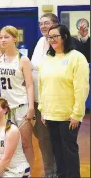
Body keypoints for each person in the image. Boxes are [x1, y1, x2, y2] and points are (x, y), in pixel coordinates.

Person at [38, 24, 89, 178]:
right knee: (57, 152)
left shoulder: (76, 57)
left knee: (69, 152)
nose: (51, 40)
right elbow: (42, 86)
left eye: (55, 36)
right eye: (49, 37)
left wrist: (77, 114)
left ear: (64, 37)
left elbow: (81, 88)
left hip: (68, 116)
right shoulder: (47, 59)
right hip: (50, 114)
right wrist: (42, 109)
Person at [0, 25, 34, 168]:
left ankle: (29, 173)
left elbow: (29, 85)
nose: (3, 40)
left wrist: (31, 107)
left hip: (21, 106)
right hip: (5, 109)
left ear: (15, 39)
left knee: (26, 143)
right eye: (1, 37)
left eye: (6, 37)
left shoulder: (23, 60)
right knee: (8, 144)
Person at [31, 13, 58, 177]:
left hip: (52, 101)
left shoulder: (59, 45)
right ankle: (50, 171)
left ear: (55, 24)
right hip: (36, 100)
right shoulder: (41, 41)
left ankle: (54, 172)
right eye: (40, 24)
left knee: (53, 139)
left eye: (46, 23)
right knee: (43, 139)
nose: (43, 26)